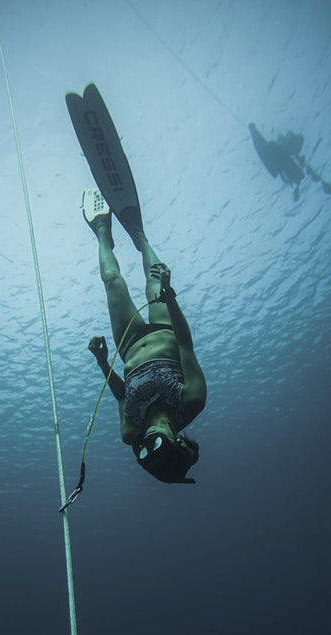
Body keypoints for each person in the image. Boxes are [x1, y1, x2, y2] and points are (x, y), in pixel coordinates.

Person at [83, 188, 206, 484]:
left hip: (129, 344)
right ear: (177, 442)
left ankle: (101, 228)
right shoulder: (192, 401)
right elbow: (186, 346)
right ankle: (139, 236)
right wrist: (169, 295)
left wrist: (102, 363)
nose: (148, 441)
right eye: (158, 446)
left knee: (112, 281)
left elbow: (122, 395)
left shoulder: (130, 431)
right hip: (166, 329)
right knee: (154, 277)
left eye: (144, 451)